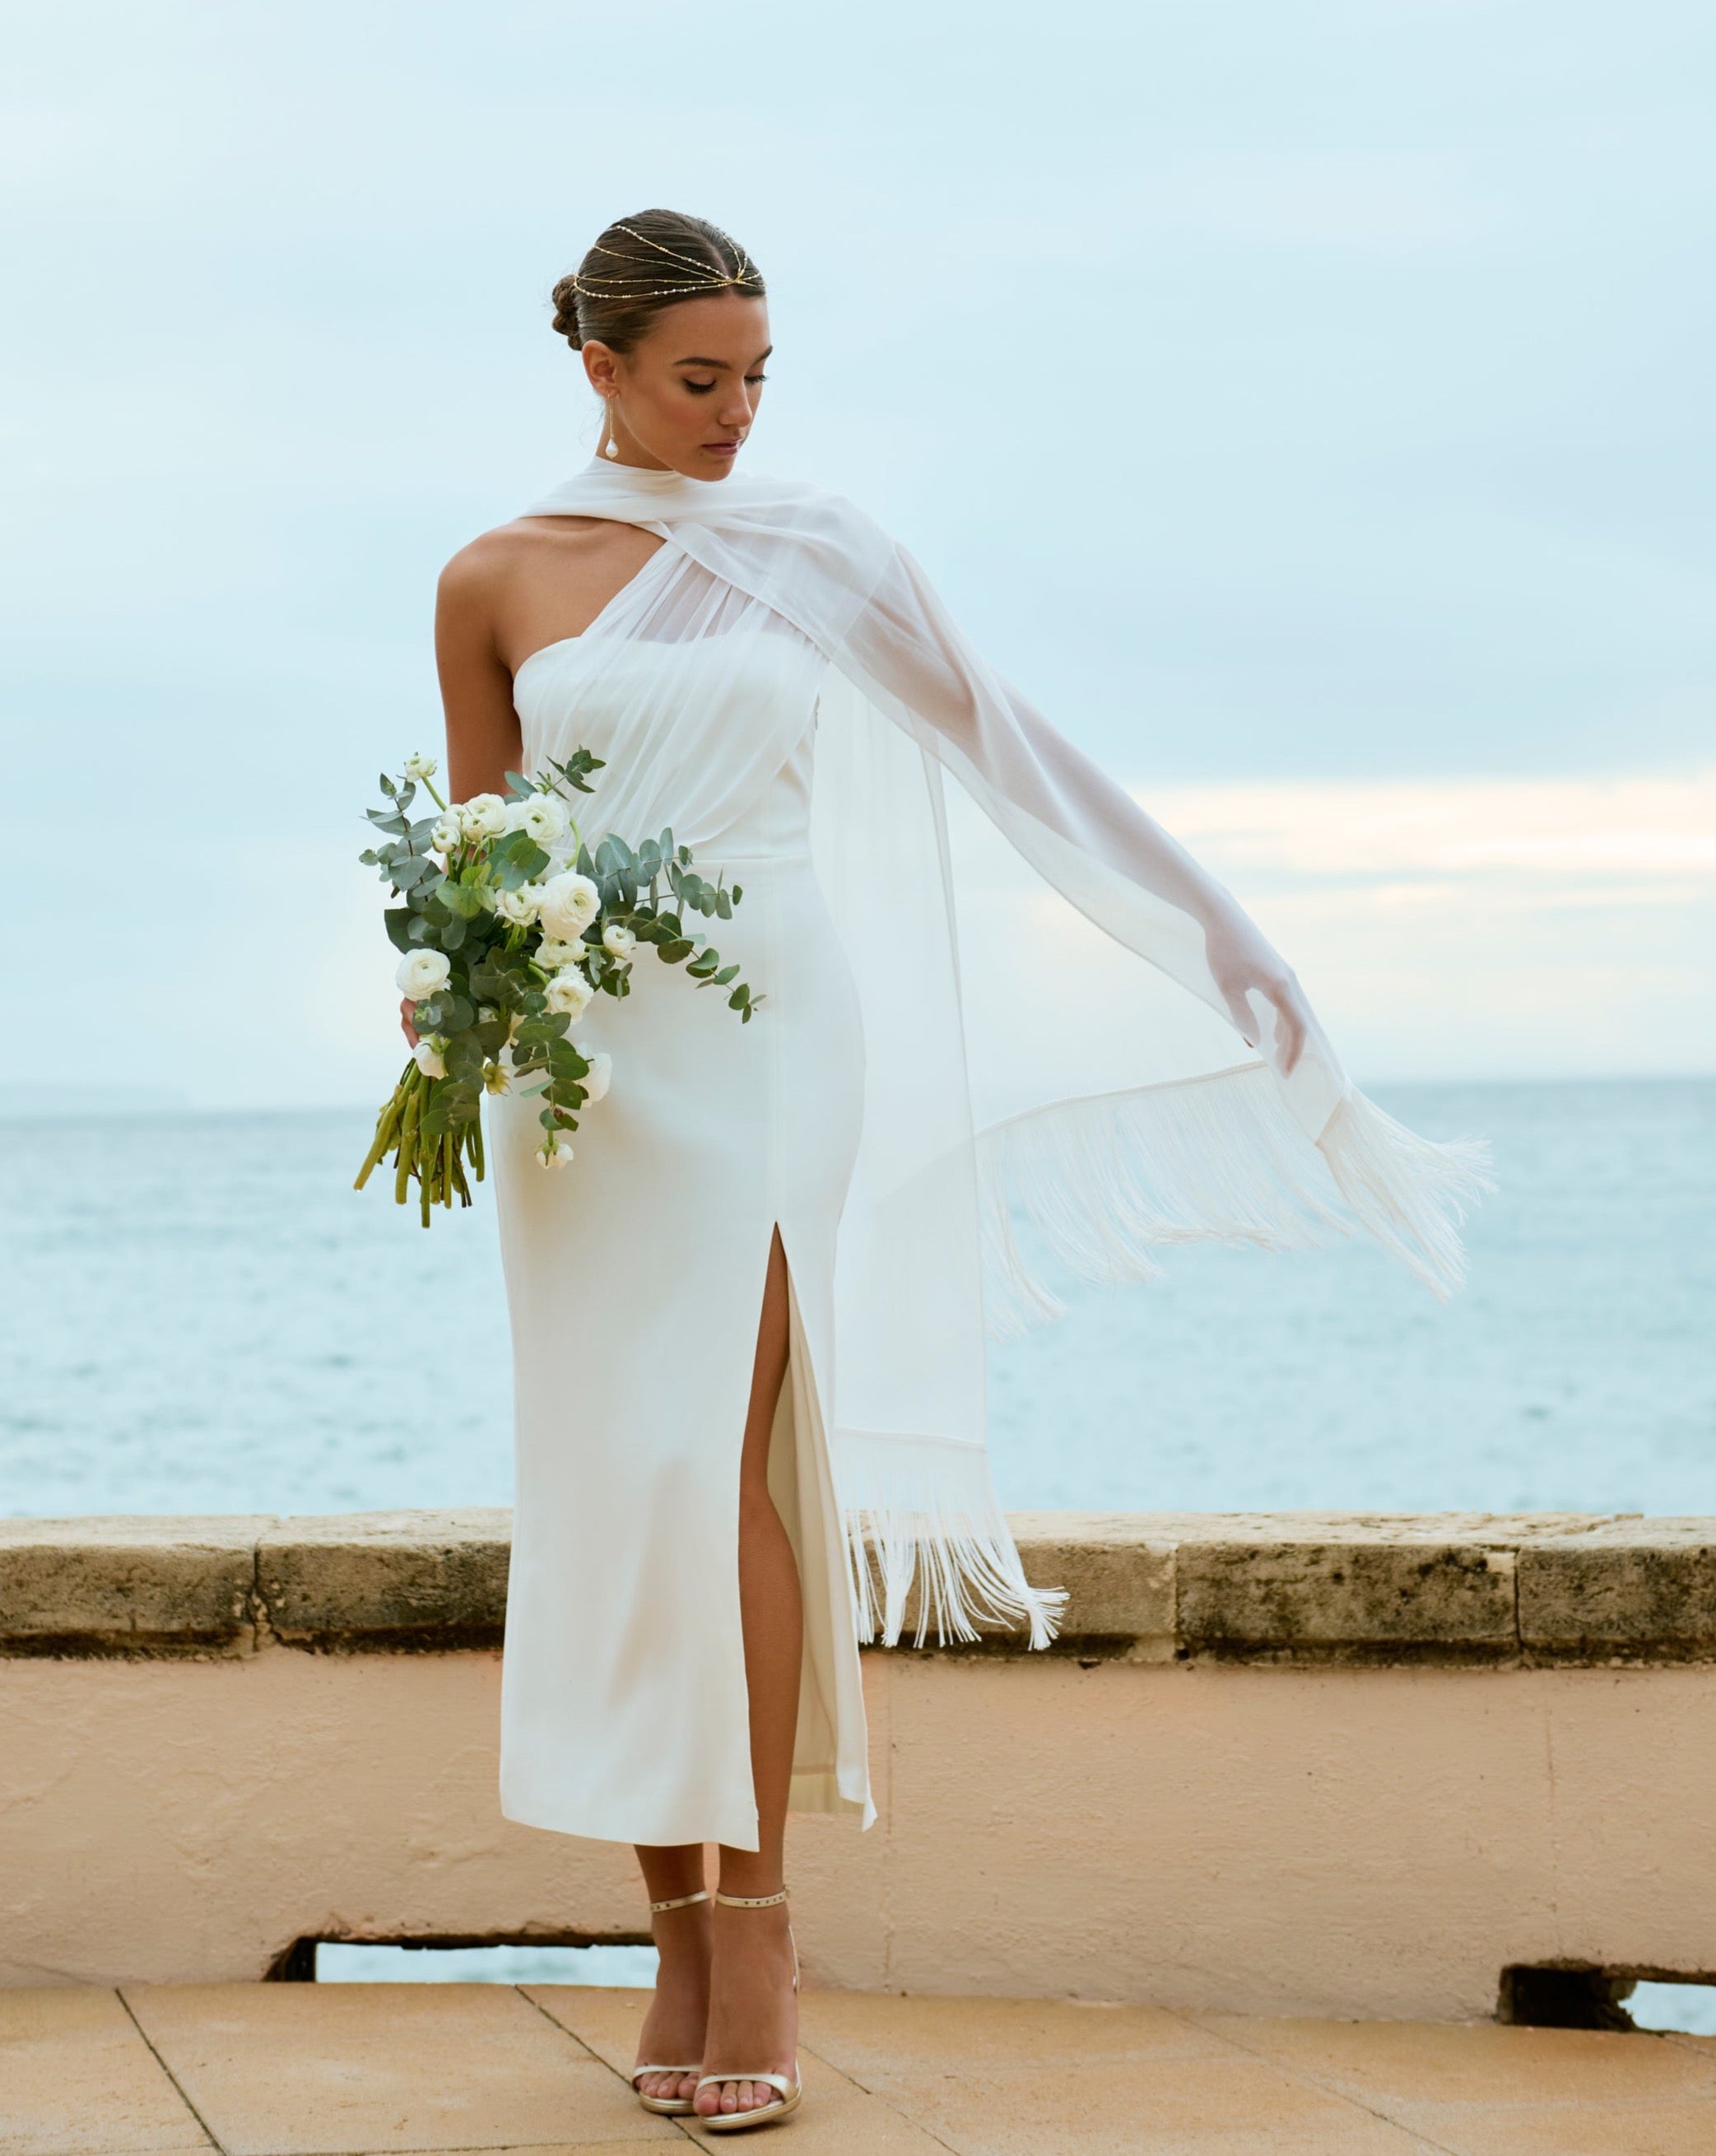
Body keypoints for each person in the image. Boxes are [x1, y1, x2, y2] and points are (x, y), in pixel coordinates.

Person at [415, 207, 1487, 2132]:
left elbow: (1010, 746)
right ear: (593, 364)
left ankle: (754, 1928)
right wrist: (451, 1002)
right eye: (696, 378)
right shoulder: (489, 576)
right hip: (581, 1076)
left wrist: (1215, 931)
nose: (736, 412)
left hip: (763, 1034)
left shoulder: (819, 556)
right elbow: (482, 848)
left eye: (757, 374)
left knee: (706, 1458)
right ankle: (667, 1928)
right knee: (611, 1483)